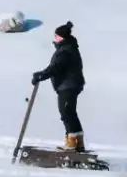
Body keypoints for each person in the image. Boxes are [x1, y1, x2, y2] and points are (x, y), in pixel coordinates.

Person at [31, 20, 86, 151]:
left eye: (57, 36)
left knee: (66, 113)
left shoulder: (65, 50)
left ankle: (72, 143)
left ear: (61, 37)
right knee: (70, 113)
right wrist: (42, 74)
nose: (55, 38)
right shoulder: (68, 48)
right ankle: (77, 142)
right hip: (69, 85)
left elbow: (56, 68)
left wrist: (41, 75)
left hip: (68, 85)